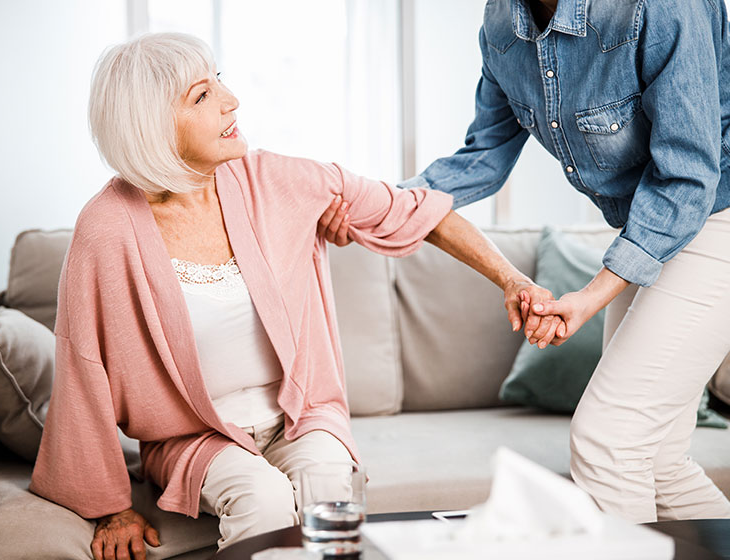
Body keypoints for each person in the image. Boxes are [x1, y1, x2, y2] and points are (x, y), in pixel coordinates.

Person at [29, 32, 554, 559]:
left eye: (220, 81)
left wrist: (515, 281)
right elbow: (83, 370)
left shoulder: (274, 180)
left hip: (300, 413)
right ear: (150, 125)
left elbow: (413, 209)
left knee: (330, 487)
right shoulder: (105, 230)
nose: (231, 101)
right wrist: (110, 506)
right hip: (194, 437)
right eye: (201, 96)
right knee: (263, 498)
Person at [324, 0, 730, 524]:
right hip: (647, 225)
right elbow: (484, 155)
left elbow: (689, 174)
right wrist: (375, 207)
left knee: (610, 442)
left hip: (718, 217)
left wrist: (589, 295)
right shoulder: (502, 23)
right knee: (656, 462)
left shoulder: (662, 7)